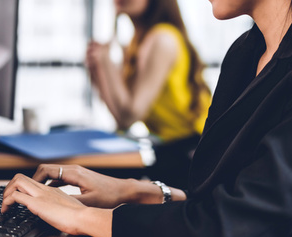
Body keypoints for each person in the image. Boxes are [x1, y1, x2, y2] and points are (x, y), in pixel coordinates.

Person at [2, 0, 292, 237]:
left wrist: (81, 216)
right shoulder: (245, 54)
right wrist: (137, 192)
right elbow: (233, 203)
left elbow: (229, 233)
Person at [86, 0, 211, 189]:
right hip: (169, 148)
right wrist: (99, 71)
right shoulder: (138, 41)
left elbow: (130, 114)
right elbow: (121, 119)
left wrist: (106, 65)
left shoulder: (162, 38)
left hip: (193, 151)